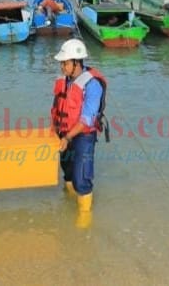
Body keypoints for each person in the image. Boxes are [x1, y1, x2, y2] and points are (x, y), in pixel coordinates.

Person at [51, 39, 107, 224]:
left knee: (81, 178)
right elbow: (56, 107)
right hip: (64, 133)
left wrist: (67, 137)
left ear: (77, 62)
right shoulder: (63, 81)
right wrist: (54, 131)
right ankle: (69, 204)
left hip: (83, 135)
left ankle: (84, 221)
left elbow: (87, 119)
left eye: (65, 63)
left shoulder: (92, 85)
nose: (62, 66)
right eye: (61, 62)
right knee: (67, 172)